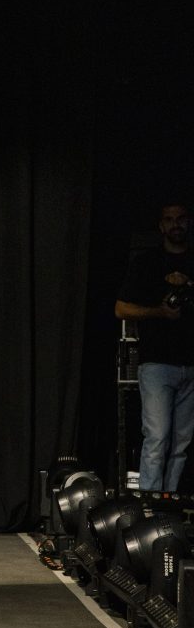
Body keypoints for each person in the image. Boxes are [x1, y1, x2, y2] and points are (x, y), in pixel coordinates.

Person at [115, 202, 194, 491]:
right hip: (157, 363)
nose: (176, 224)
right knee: (157, 437)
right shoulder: (147, 263)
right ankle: (149, 503)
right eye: (169, 219)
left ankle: (169, 501)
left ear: (188, 222)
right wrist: (160, 311)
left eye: (181, 218)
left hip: (191, 364)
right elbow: (121, 309)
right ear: (161, 226)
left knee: (182, 443)